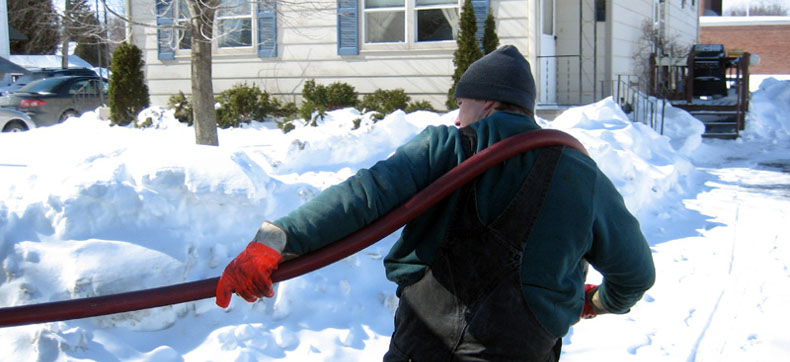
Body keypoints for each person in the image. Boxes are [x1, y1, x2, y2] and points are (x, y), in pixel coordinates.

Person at [215, 45, 656, 361]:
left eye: (461, 103)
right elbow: (635, 272)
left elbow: (363, 197)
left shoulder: (445, 147)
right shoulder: (580, 172)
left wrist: (276, 240)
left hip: (421, 346)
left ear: (486, 101)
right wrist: (594, 303)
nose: (457, 116)